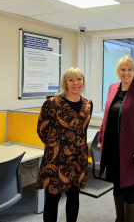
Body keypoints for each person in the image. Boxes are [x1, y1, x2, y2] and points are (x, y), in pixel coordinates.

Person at [97, 56, 134, 222]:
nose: (126, 73)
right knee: (117, 184)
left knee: (130, 187)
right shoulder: (112, 88)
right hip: (113, 148)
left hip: (132, 150)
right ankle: (119, 218)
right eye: (123, 69)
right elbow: (106, 117)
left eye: (130, 69)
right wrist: (101, 138)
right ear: (118, 72)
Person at [36, 67, 93, 222]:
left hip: (78, 159)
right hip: (56, 160)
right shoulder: (52, 103)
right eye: (71, 80)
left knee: (74, 196)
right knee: (53, 199)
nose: (76, 83)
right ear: (65, 83)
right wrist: (56, 145)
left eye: (79, 79)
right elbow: (42, 129)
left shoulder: (88, 104)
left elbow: (83, 130)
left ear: (83, 82)